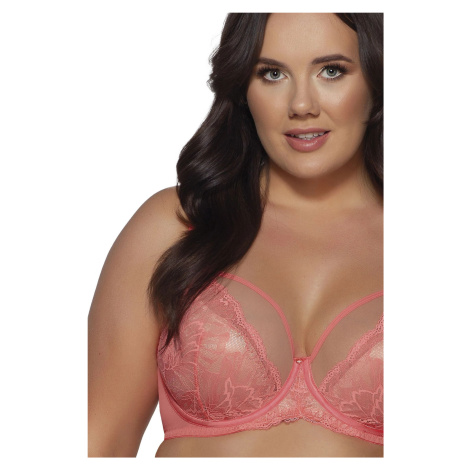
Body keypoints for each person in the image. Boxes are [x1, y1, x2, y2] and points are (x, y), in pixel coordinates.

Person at [88, 13, 383, 457]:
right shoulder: (176, 226)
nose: (301, 104)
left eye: (331, 70)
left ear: (378, 78)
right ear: (244, 89)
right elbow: (99, 442)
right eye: (272, 74)